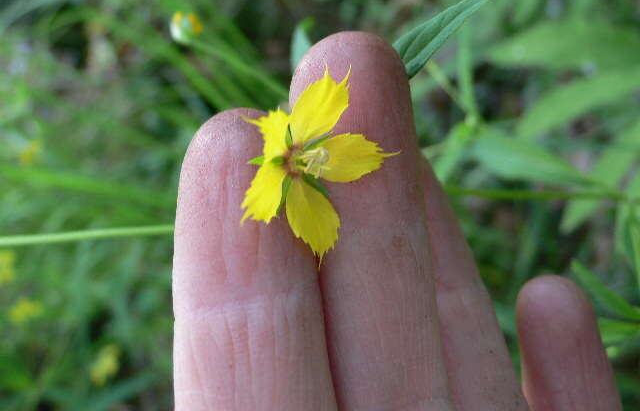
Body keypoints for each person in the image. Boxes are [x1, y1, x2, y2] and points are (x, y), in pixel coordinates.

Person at [172, 32, 621, 410]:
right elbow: (275, 143)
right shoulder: (277, 167)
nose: (306, 159)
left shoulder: (304, 150)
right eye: (296, 158)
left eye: (301, 158)